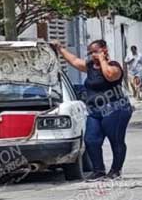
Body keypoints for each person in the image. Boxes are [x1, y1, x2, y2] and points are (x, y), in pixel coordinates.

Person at [52, 39, 134, 179]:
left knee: (116, 140)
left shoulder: (114, 67)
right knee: (91, 140)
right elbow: (74, 61)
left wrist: (102, 59)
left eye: (95, 52)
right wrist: (60, 49)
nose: (92, 55)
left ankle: (116, 170)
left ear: (104, 50)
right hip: (95, 111)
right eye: (90, 53)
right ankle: (98, 170)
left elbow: (109, 75)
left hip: (115, 109)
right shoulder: (90, 67)